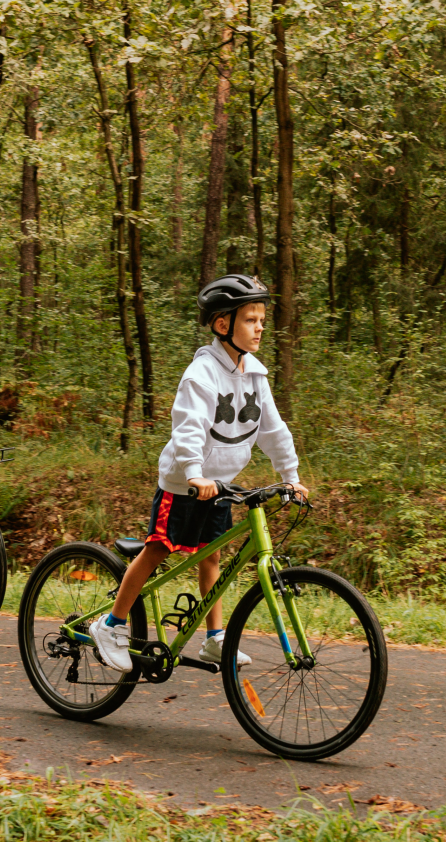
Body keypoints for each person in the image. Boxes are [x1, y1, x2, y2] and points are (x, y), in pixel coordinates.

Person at [90, 274, 307, 673]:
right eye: (250, 320)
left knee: (212, 555)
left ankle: (214, 638)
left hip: (220, 485)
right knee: (158, 549)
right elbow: (188, 425)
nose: (260, 327)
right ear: (223, 324)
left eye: (262, 319)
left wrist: (290, 476)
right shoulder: (202, 374)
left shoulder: (255, 374)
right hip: (184, 483)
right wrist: (192, 472)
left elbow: (273, 430)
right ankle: (111, 624)